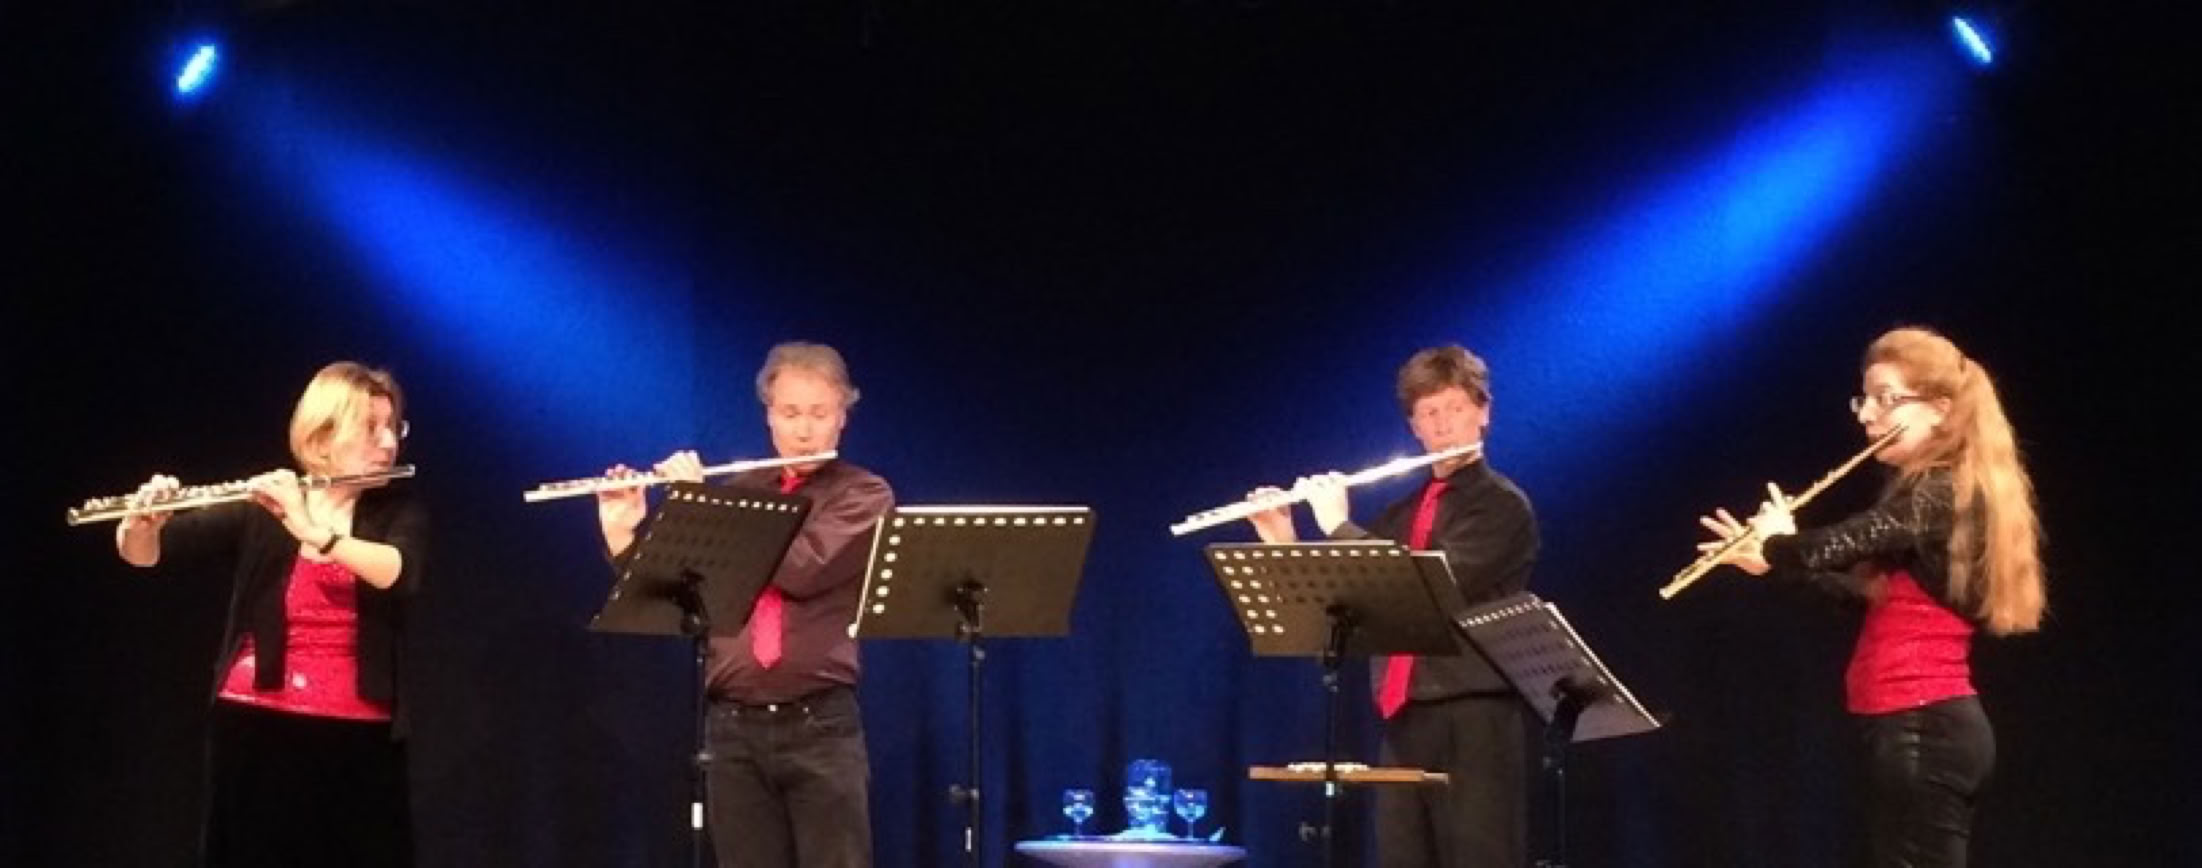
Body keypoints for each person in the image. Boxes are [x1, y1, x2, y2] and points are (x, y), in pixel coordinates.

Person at [1696, 325, 2046, 867]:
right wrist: (1770, 562)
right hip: (1912, 725)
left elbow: (1836, 543)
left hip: (1925, 726)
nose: (1867, 416)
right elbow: (1866, 600)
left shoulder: (1940, 492)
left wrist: (1780, 541)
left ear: (1940, 410)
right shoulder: (1926, 492)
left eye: (1887, 399)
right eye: (1865, 400)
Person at [115, 361, 427, 867]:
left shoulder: (398, 510)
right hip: (255, 722)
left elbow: (398, 570)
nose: (388, 442)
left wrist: (314, 531)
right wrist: (140, 524)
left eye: (394, 427)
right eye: (371, 428)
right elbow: (145, 555)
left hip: (359, 730)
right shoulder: (266, 504)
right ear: (322, 438)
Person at [597, 341, 893, 868]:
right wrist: (624, 535)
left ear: (842, 417)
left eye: (819, 413)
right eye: (790, 413)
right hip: (732, 729)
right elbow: (675, 597)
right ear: (769, 416)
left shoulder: (863, 495)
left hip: (820, 726)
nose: (804, 430)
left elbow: (802, 568)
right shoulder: (739, 491)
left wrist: (704, 505)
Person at [1247, 344, 1539, 868]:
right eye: (1429, 413)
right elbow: (1341, 609)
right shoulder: (1399, 515)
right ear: (1414, 428)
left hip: (1476, 717)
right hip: (1403, 719)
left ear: (1483, 413)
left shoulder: (1502, 507)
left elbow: (1421, 587)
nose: (1443, 425)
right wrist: (1283, 540)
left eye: (1454, 408)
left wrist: (1338, 525)